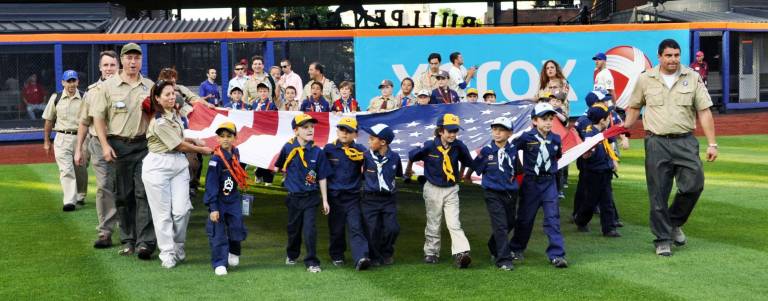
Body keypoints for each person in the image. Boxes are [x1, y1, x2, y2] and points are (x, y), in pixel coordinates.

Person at [623, 38, 717, 257]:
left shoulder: (692, 78)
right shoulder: (646, 79)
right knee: (658, 193)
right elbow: (635, 107)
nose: (673, 59)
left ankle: (674, 222)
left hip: (685, 140)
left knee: (694, 185)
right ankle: (662, 239)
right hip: (656, 142)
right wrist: (625, 127)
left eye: (676, 55)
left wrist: (712, 143)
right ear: (659, 56)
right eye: (668, 55)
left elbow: (704, 111)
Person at [90, 42, 157, 259]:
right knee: (123, 195)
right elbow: (98, 117)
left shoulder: (149, 86)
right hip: (118, 146)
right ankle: (128, 239)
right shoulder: (107, 87)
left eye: (137, 58)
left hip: (144, 145)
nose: (133, 62)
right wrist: (105, 145)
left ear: (141, 61)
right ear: (122, 61)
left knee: (143, 193)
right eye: (129, 58)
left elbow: (158, 112)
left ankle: (145, 242)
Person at [142, 80, 213, 269]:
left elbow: (180, 139)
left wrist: (192, 138)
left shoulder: (174, 114)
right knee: (162, 214)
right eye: (167, 94)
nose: (172, 97)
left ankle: (178, 245)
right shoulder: (158, 120)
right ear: (157, 98)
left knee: (183, 210)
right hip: (158, 165)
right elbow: (178, 145)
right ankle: (167, 252)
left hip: (178, 163)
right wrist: (203, 150)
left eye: (173, 93)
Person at [405, 113, 473, 268]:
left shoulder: (459, 146)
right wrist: (408, 169)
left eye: (455, 131)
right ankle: (431, 252)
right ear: (441, 131)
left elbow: (468, 161)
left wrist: (462, 174)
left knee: (454, 223)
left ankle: (462, 253)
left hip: (451, 189)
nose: (453, 134)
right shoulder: (429, 145)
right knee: (434, 221)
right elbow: (412, 155)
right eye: (450, 131)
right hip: (433, 189)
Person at [509, 102, 568, 268]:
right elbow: (510, 150)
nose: (548, 122)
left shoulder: (555, 138)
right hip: (531, 183)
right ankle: (516, 248)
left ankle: (557, 255)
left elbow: (557, 156)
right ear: (535, 121)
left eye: (550, 119)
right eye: (544, 119)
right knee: (525, 219)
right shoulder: (526, 137)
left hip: (549, 182)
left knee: (553, 219)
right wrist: (516, 169)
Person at [274, 114, 333, 273]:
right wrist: (285, 176)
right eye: (305, 127)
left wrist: (325, 200)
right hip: (294, 198)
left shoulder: (317, 152)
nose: (310, 130)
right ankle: (292, 254)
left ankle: (312, 262)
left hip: (311, 198)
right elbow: (278, 166)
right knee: (293, 230)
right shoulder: (288, 148)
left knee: (309, 230)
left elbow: (322, 177)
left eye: (311, 127)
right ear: (296, 131)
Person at [74, 50, 119, 248]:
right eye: (106, 65)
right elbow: (84, 122)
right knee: (104, 186)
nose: (109, 69)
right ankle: (105, 231)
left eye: (112, 65)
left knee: (126, 187)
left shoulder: (129, 87)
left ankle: (129, 230)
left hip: (124, 143)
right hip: (98, 145)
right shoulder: (92, 92)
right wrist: (78, 149)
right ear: (100, 68)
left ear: (119, 66)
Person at [467, 117, 518, 271]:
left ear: (509, 133)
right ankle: (503, 259)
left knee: (510, 223)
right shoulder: (487, 151)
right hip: (492, 192)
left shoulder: (514, 150)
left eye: (501, 130)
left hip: (510, 192)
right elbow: (476, 166)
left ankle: (492, 244)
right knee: (500, 225)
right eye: (495, 129)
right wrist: (467, 175)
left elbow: (517, 169)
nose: (497, 132)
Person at [323, 117, 371, 270]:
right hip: (334, 196)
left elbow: (369, 170)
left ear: (355, 134)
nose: (344, 133)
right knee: (336, 229)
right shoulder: (328, 149)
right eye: (342, 129)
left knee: (356, 227)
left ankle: (361, 257)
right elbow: (322, 172)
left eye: (349, 131)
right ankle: (337, 255)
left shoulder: (361, 151)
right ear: (337, 131)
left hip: (353, 196)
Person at [204, 122, 250, 276]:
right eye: (222, 136)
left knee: (237, 226)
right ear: (217, 139)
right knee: (218, 232)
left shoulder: (236, 153)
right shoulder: (216, 160)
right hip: (219, 201)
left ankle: (234, 251)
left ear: (235, 138)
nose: (225, 139)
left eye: (229, 136)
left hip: (234, 198)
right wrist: (213, 207)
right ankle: (219, 263)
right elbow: (211, 185)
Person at [42, 70, 87, 212]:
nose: (72, 84)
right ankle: (69, 201)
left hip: (82, 138)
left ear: (78, 82)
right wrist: (46, 141)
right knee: (66, 170)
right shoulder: (56, 98)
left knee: (81, 169)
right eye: (69, 81)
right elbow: (49, 120)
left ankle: (80, 194)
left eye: (74, 80)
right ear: (63, 83)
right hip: (61, 137)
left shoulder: (85, 97)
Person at [573, 106, 620, 238]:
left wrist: (611, 162)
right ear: (602, 120)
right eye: (607, 118)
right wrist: (589, 153)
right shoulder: (590, 134)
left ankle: (609, 228)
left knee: (607, 200)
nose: (609, 121)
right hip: (594, 172)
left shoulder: (599, 133)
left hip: (604, 170)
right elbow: (587, 153)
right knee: (591, 200)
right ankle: (580, 220)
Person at [360, 123, 403, 267]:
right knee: (372, 230)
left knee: (392, 228)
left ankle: (387, 252)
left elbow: (397, 175)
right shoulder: (365, 157)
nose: (368, 141)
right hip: (369, 199)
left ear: (383, 142)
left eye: (372, 139)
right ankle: (374, 256)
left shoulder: (395, 157)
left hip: (388, 199)